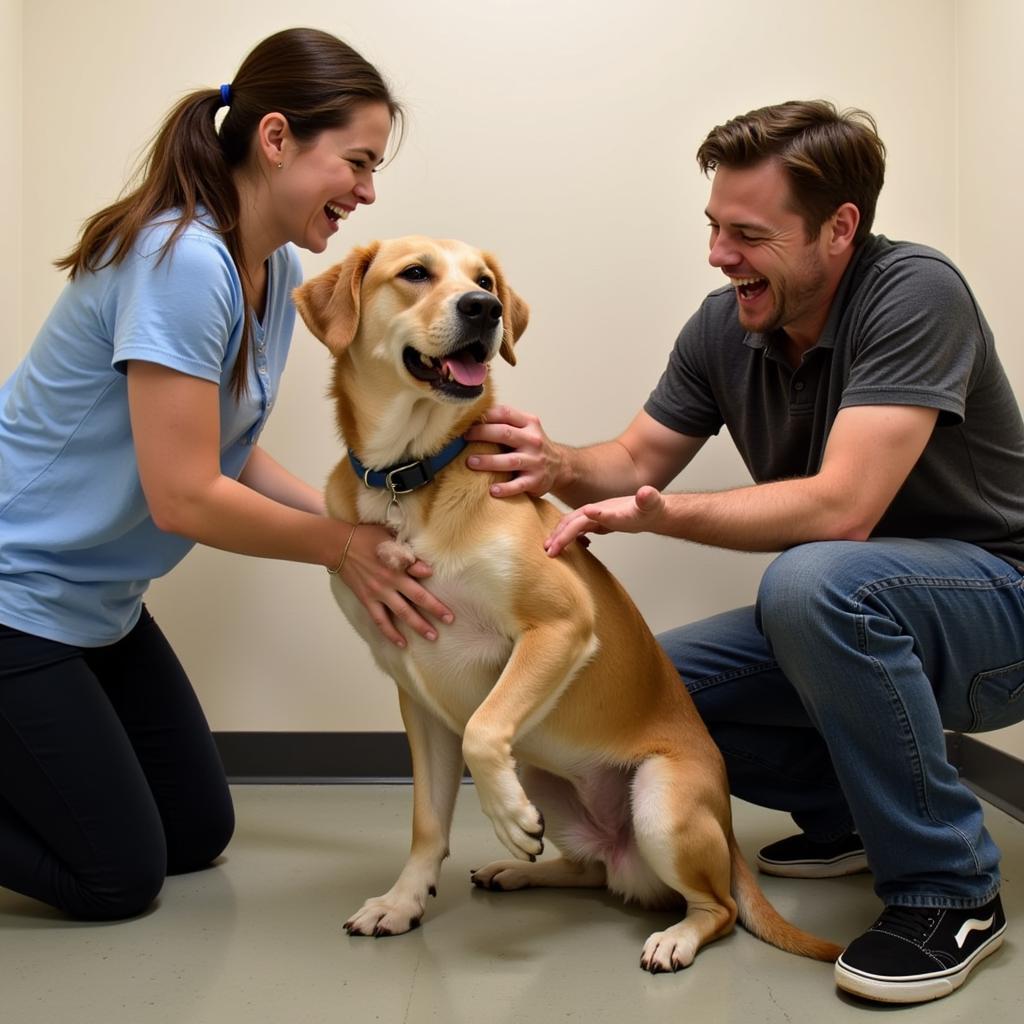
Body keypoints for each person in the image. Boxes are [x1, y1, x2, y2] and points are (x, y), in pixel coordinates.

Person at [465, 100, 1024, 1004]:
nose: (720, 254)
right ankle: (847, 818)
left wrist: (660, 516)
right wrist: (556, 460)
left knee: (812, 583)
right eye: (714, 227)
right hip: (867, 606)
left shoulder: (917, 293)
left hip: (1001, 607)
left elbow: (843, 509)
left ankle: (950, 890)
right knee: (647, 694)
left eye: (748, 234)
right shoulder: (726, 324)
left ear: (840, 229)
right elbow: (635, 460)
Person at [0, 27, 453, 922]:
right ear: (277, 138)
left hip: (97, 604)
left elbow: (228, 449)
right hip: (15, 597)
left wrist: (367, 517)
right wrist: (340, 547)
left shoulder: (270, 266)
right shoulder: (181, 261)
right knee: (116, 878)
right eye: (357, 163)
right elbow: (183, 495)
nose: (366, 192)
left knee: (194, 831)